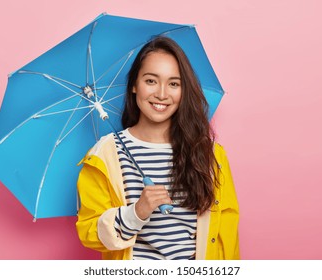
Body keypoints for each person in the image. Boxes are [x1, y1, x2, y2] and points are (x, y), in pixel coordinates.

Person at [76, 36, 239, 260]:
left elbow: (227, 234)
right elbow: (90, 232)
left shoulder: (210, 154)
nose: (162, 94)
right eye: (151, 81)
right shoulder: (105, 154)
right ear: (134, 84)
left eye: (174, 84)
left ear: (184, 91)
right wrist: (136, 212)